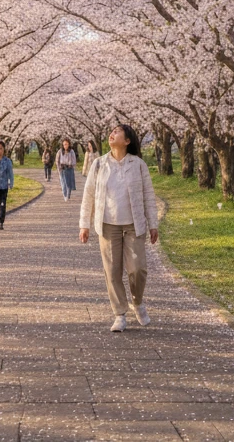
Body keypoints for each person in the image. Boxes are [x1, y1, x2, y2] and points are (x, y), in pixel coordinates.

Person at [78, 123, 159, 333]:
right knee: (112, 272)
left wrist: (153, 224)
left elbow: (149, 195)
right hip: (107, 225)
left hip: (134, 224)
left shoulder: (139, 165)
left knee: (138, 269)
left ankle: (137, 302)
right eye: (112, 131)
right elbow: (88, 195)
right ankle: (120, 314)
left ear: (127, 141)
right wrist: (84, 224)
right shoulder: (99, 164)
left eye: (117, 132)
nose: (112, 134)